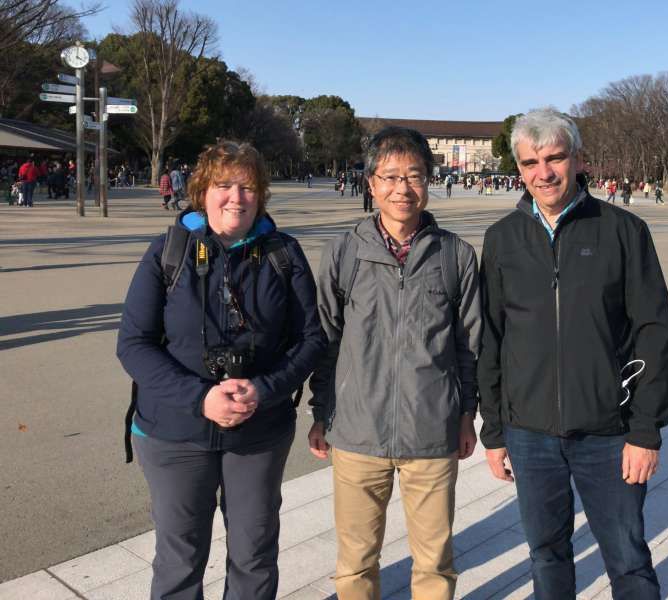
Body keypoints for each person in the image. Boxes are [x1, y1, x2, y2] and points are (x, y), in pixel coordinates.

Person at [478, 108, 668, 600]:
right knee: (546, 553)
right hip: (529, 433)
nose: (542, 173)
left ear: (578, 159)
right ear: (518, 168)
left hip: (609, 432)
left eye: (554, 158)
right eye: (529, 162)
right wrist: (495, 431)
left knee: (628, 560)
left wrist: (645, 431)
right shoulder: (502, 238)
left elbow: (654, 332)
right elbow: (491, 340)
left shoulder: (623, 231)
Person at [117, 141, 326, 600]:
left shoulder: (283, 255)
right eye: (223, 185)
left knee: (254, 554)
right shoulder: (167, 252)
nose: (236, 196)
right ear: (201, 191)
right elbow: (133, 344)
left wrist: (265, 389)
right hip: (175, 431)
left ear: (262, 194)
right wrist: (201, 398)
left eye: (248, 186)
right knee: (179, 557)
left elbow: (311, 339)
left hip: (259, 431)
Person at [308, 126, 482, 600]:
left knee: (434, 562)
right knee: (356, 562)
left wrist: (467, 413)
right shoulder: (345, 252)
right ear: (371, 183)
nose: (402, 188)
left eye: (414, 175)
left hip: (432, 431)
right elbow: (327, 339)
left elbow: (470, 345)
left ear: (430, 180)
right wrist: (320, 412)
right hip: (356, 432)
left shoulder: (456, 256)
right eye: (390, 177)